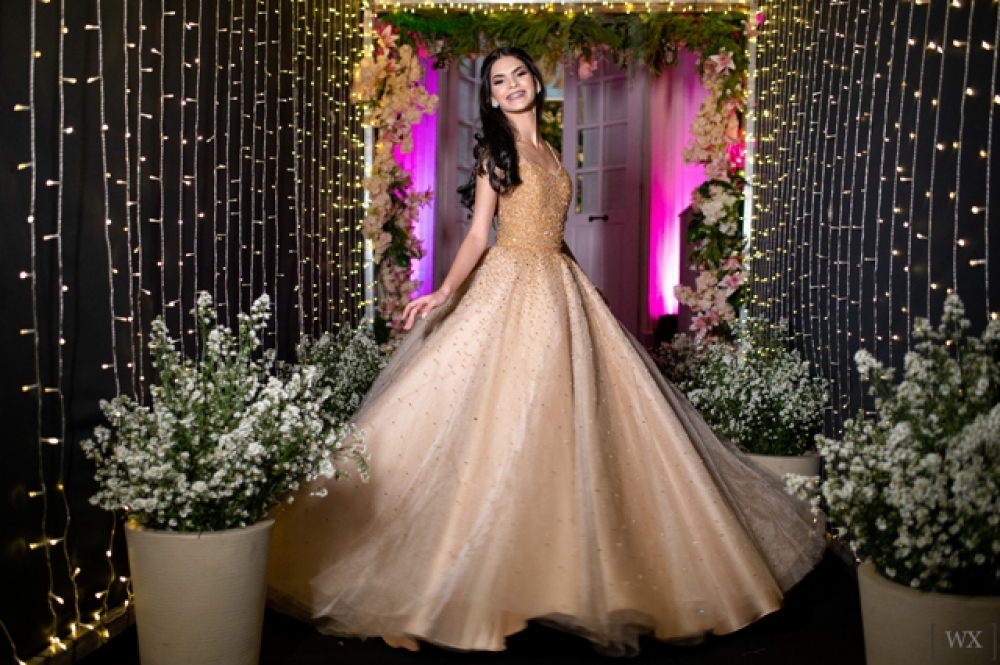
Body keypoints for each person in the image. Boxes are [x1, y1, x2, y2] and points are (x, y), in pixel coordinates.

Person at [267, 46, 827, 656]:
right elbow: (479, 233)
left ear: (536, 81)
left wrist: (581, 288)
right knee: (495, 418)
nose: (511, 85)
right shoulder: (497, 152)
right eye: (498, 81)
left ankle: (555, 575)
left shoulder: (553, 152)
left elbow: (552, 232)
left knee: (568, 421)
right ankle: (464, 577)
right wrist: (445, 292)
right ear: (490, 96)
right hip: (510, 283)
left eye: (518, 75)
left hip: (560, 283)